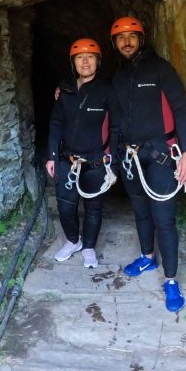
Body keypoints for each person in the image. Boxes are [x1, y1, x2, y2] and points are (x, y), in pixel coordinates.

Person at [110, 16, 186, 312]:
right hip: (131, 156)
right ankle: (148, 257)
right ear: (115, 44)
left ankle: (171, 280)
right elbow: (116, 119)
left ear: (142, 38)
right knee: (141, 211)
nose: (127, 42)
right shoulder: (117, 78)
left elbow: (181, 110)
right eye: (121, 38)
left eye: (132, 36)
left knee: (164, 218)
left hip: (161, 153)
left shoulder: (161, 69)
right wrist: (115, 156)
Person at [46, 38, 120, 269]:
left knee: (93, 208)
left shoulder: (107, 90)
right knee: (65, 207)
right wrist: (51, 155)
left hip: (95, 160)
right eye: (80, 57)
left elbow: (116, 126)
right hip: (67, 158)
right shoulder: (65, 88)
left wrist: (113, 160)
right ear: (73, 62)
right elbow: (56, 122)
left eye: (90, 57)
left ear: (98, 61)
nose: (85, 62)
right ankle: (73, 241)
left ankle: (88, 247)